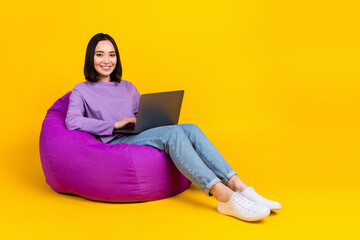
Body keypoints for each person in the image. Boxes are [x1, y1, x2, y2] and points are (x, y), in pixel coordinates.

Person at [65, 33, 281, 222]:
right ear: (90, 57)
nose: (107, 60)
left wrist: (149, 116)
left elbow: (141, 111)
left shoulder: (127, 86)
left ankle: (238, 185)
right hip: (116, 140)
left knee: (191, 128)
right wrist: (114, 124)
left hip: (137, 132)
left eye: (112, 54)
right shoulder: (82, 90)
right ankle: (222, 195)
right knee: (174, 133)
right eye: (100, 54)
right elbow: (72, 120)